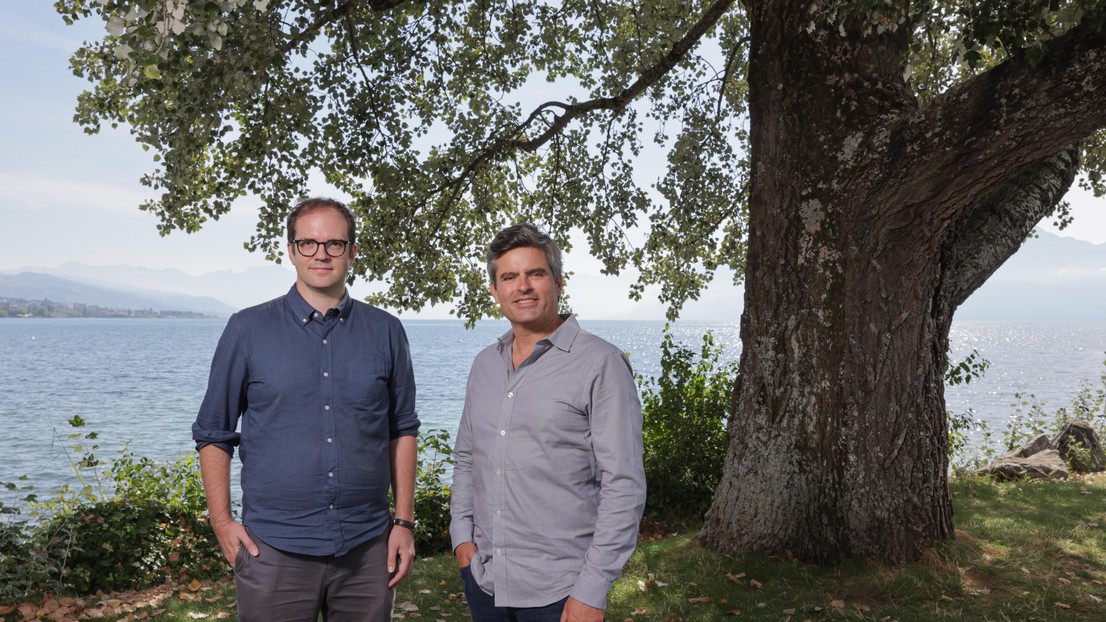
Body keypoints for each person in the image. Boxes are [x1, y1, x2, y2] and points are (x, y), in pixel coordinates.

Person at [192, 197, 420, 622]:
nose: (321, 254)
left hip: (368, 548)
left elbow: (402, 429)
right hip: (273, 549)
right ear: (291, 250)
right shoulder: (246, 330)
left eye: (335, 243)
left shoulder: (387, 331)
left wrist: (404, 524)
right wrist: (222, 522)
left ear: (352, 251)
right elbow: (213, 432)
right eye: (309, 243)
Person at [449, 223, 647, 622]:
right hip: (485, 580)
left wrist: (592, 590)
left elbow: (623, 483)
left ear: (557, 282)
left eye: (535, 274)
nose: (522, 286)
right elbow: (468, 458)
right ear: (495, 290)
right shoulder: (484, 364)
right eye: (509, 277)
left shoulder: (601, 363)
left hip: (562, 591)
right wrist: (461, 539)